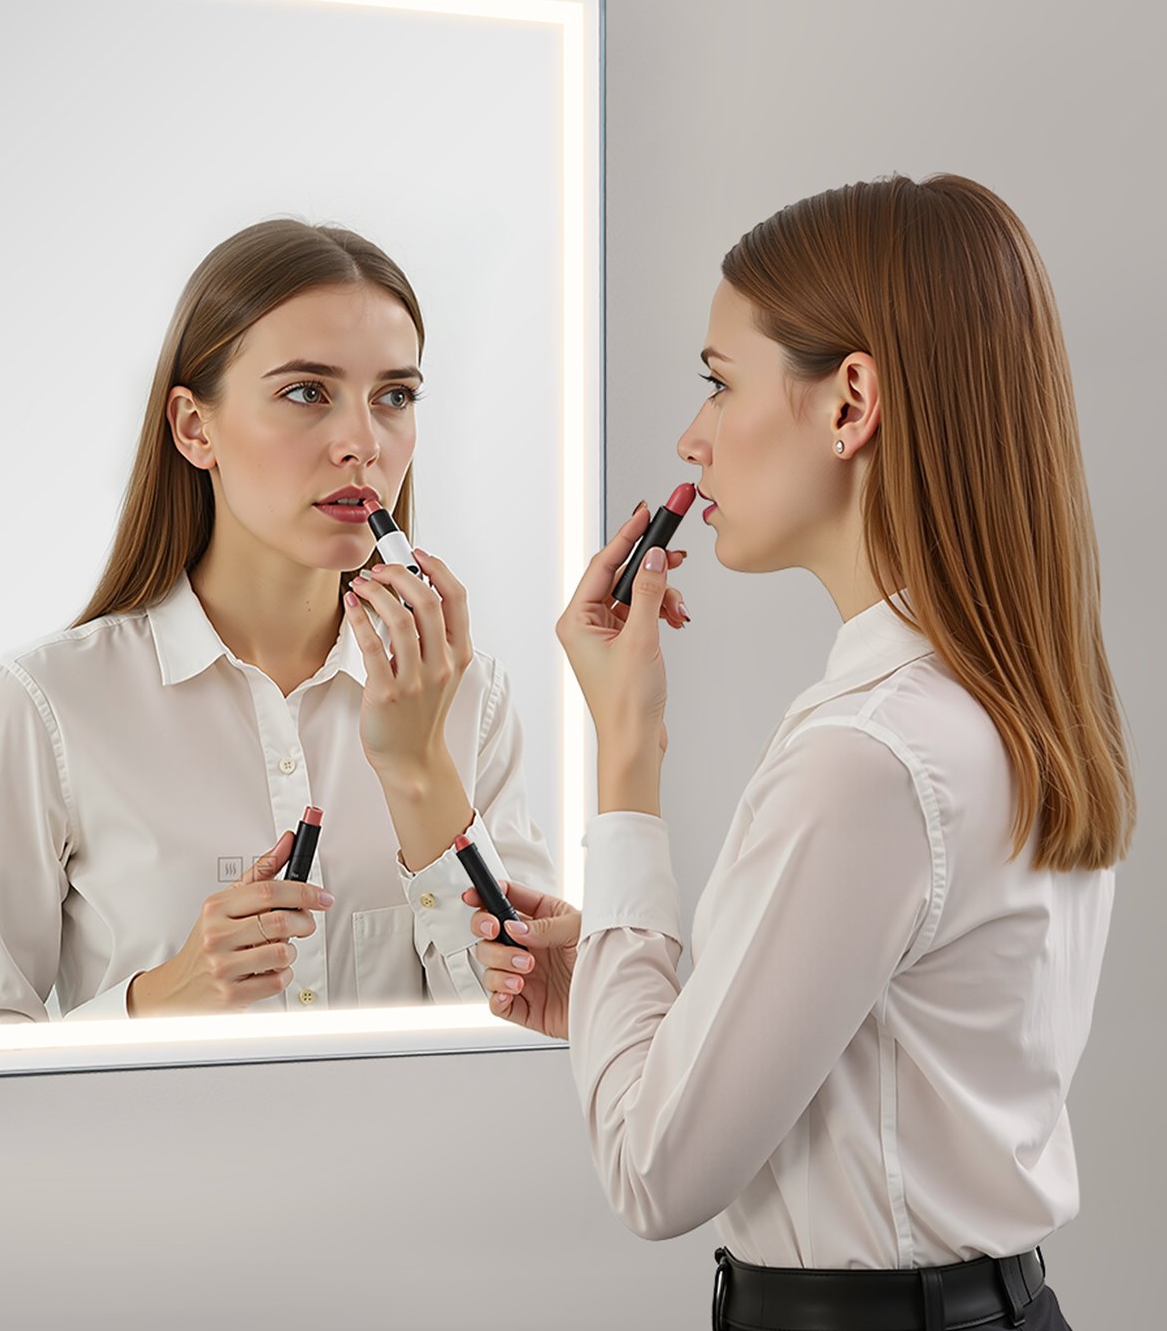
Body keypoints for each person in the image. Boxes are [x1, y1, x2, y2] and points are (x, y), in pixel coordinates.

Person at [456, 174, 1130, 1329]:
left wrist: (627, 745)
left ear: (848, 401)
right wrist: (631, 994)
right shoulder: (990, 702)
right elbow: (884, 1059)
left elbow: (652, 1174)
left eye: (720, 382)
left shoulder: (866, 757)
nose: (692, 437)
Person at [0, 217, 560, 1023]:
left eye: (394, 397)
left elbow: (526, 1031)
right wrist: (158, 998)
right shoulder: (46, 705)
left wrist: (420, 775)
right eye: (307, 392)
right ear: (195, 428)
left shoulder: (469, 699)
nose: (362, 443)